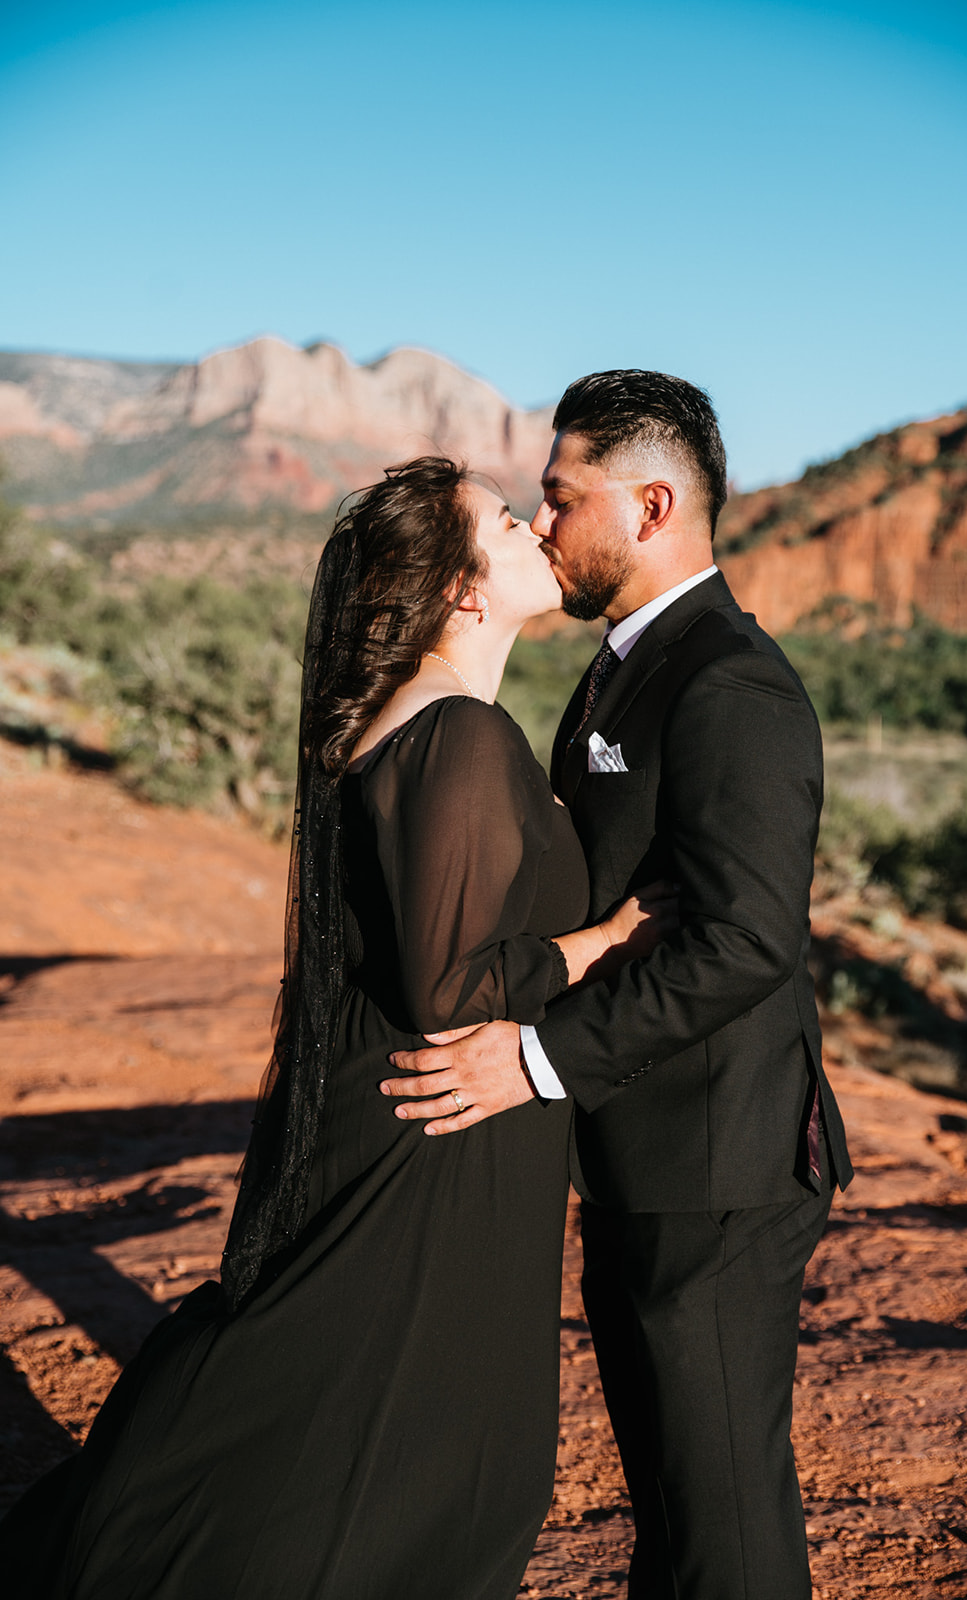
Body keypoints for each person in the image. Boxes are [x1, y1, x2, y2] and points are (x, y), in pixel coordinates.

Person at [0, 454, 676, 1600]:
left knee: (359, 1423)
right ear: (464, 590)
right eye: (508, 520)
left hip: (430, 1128)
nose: (534, 528)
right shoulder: (457, 734)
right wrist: (603, 944)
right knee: (385, 1443)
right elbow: (454, 989)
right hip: (433, 1143)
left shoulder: (435, 721)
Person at [382, 374, 854, 1600]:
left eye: (561, 495)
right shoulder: (622, 666)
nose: (542, 524)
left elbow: (747, 940)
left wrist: (535, 1058)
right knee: (670, 1506)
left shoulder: (730, 683)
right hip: (645, 1148)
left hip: (717, 1166)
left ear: (651, 505)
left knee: (723, 1520)